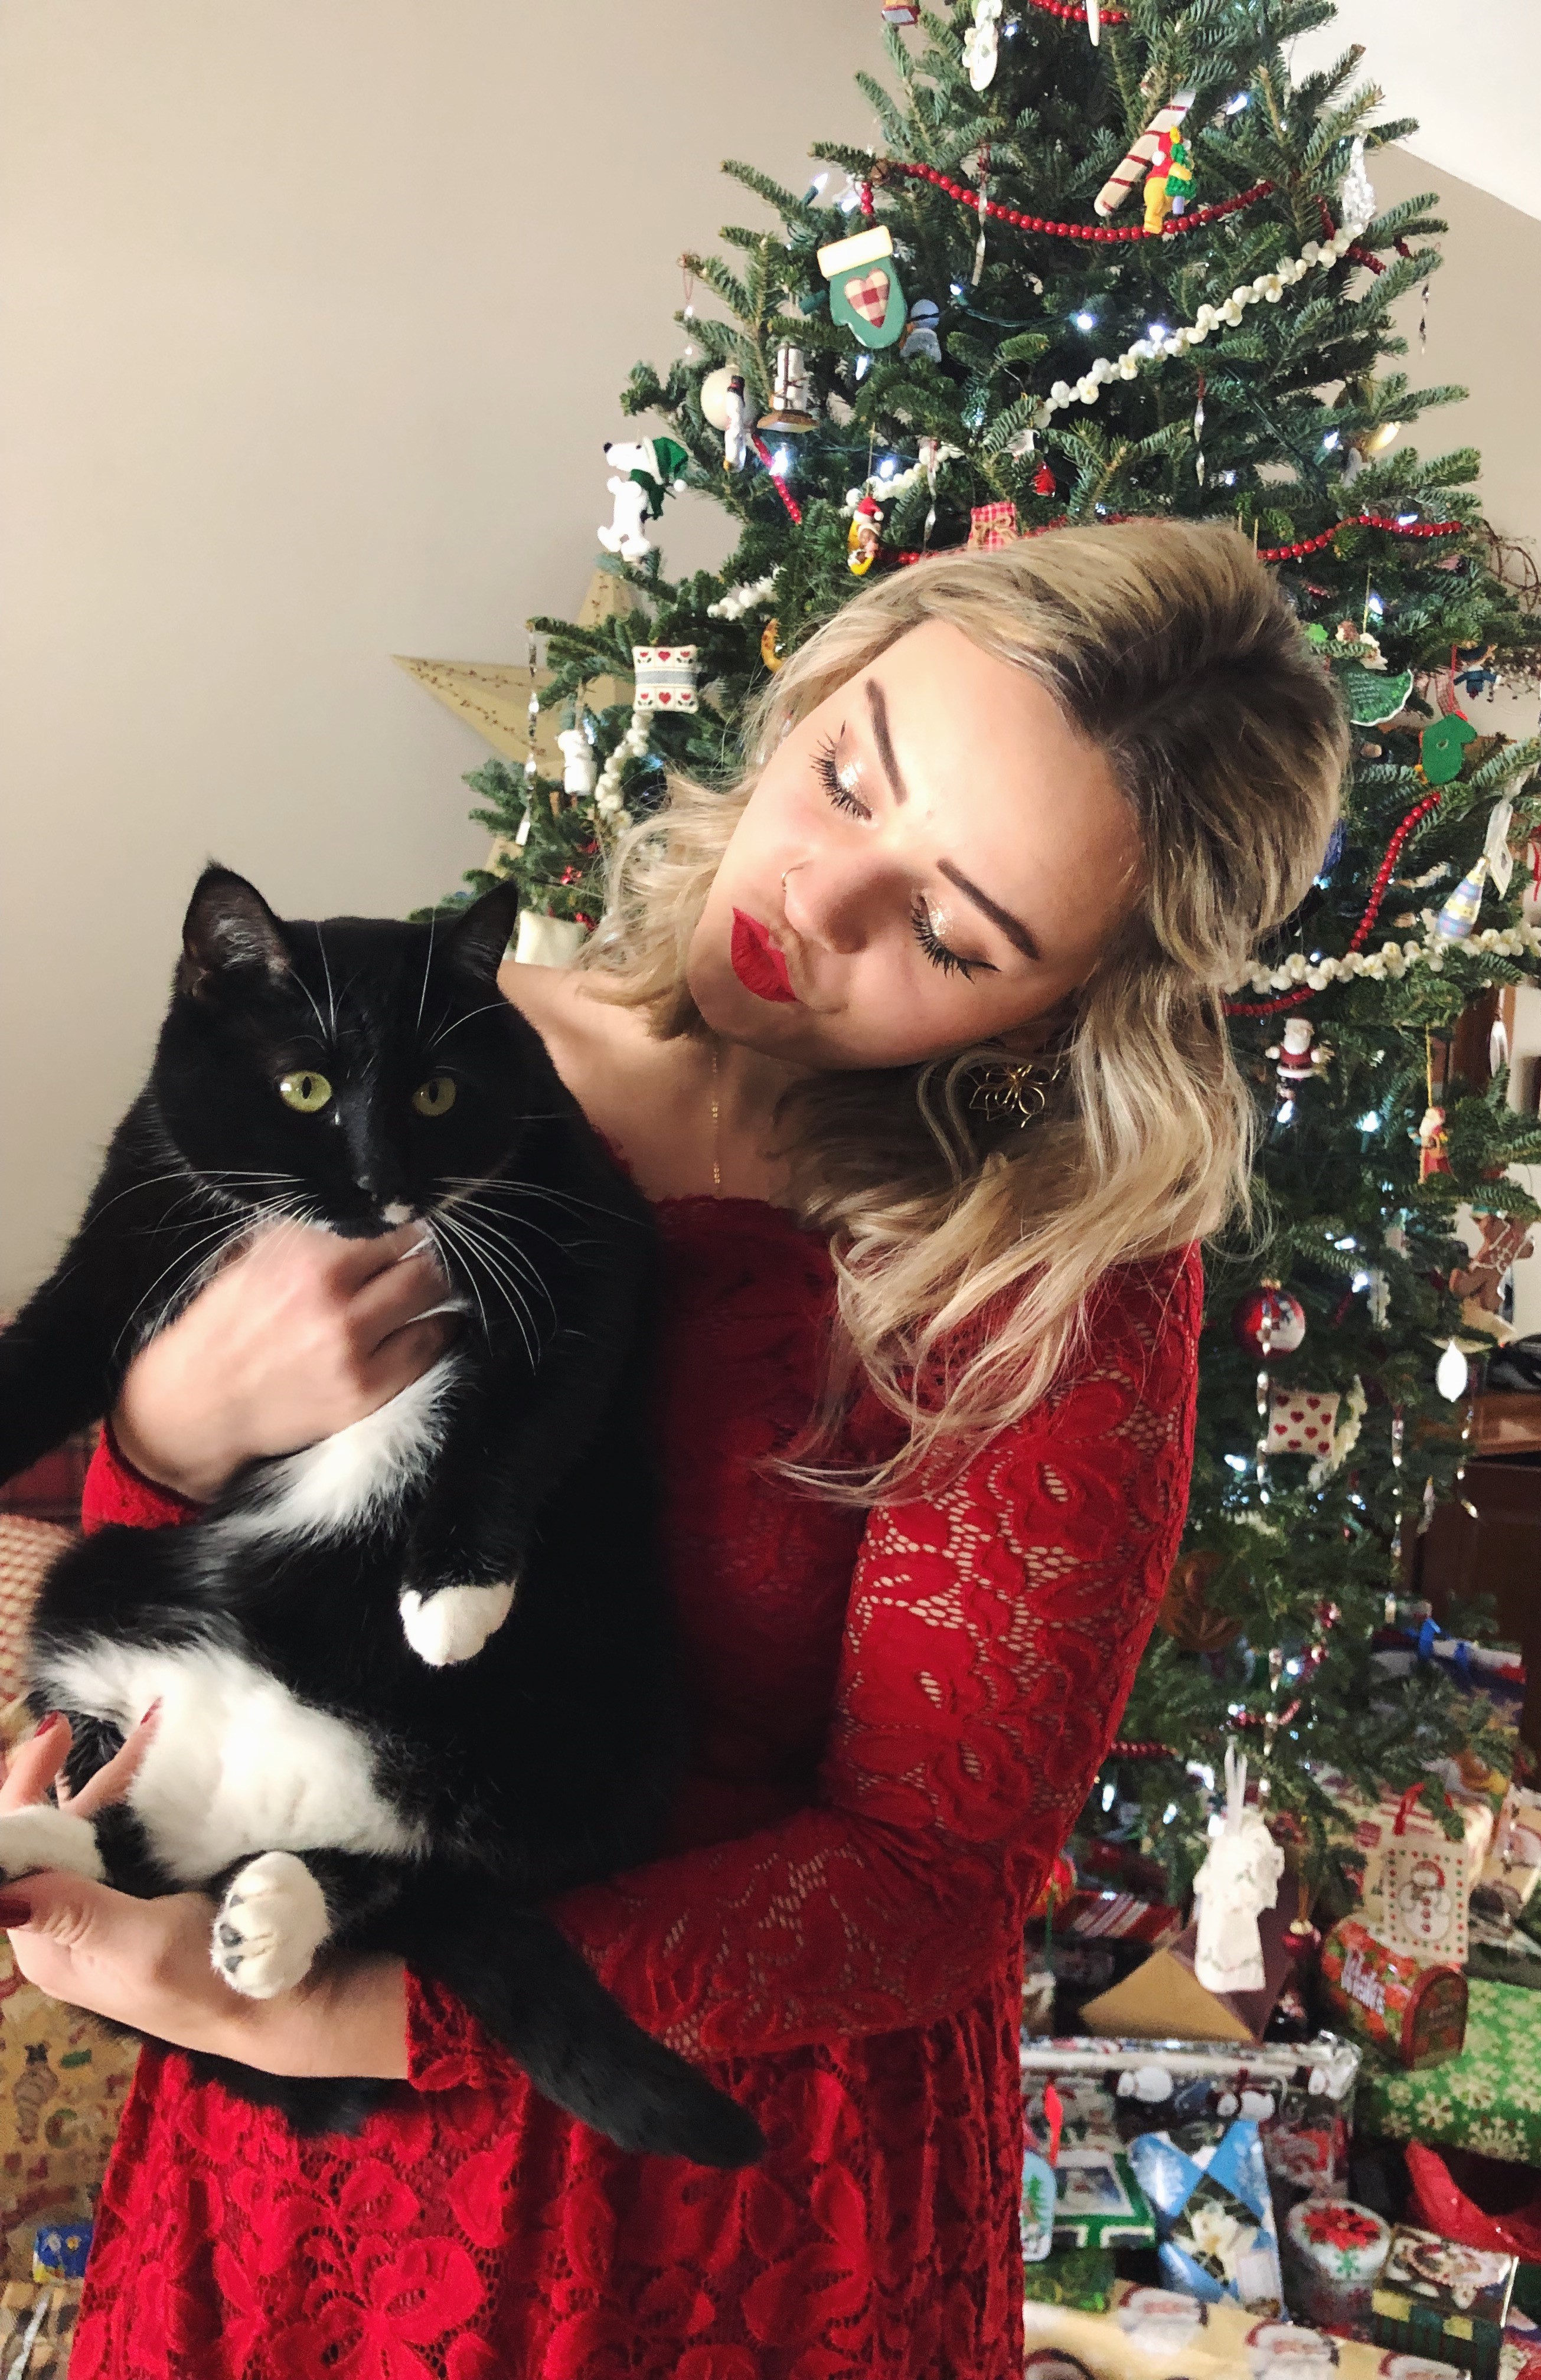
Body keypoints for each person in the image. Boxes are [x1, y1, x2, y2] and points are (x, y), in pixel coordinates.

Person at [0, 520, 1345, 2378]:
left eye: (951, 933)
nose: (818, 899)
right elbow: (214, 1532)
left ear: (1075, 1010)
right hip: (280, 2097)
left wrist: (378, 2019)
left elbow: (930, 1875)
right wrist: (168, 1430)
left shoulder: (1054, 1282)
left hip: (703, 2191)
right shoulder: (434, 1058)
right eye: (849, 770)